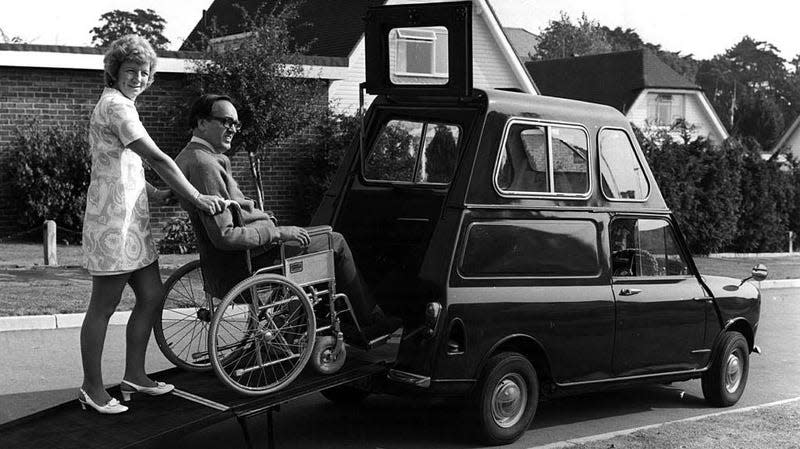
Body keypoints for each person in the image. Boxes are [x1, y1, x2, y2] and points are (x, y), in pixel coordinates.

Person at [174, 94, 401, 341]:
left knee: (317, 239)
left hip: (228, 263)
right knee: (334, 240)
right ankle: (371, 321)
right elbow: (225, 236)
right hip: (250, 259)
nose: (233, 129)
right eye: (225, 121)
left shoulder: (186, 157)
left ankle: (298, 319)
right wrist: (279, 232)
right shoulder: (204, 164)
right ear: (201, 123)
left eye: (236, 124)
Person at [79, 35, 227, 414]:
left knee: (151, 295)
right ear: (115, 71)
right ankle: (92, 389)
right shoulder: (118, 107)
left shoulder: (122, 105)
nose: (139, 78)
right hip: (112, 224)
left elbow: (123, 163)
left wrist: (158, 194)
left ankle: (134, 376)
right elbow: (157, 158)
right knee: (104, 306)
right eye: (131, 70)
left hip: (131, 222)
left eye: (145, 72)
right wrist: (197, 197)